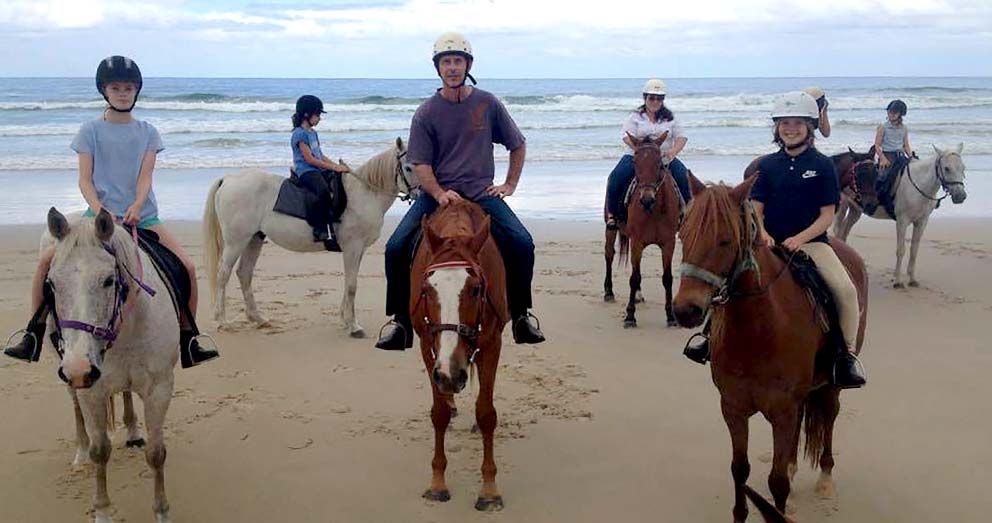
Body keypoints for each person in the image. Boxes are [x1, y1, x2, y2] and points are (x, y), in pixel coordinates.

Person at [2, 56, 218, 369]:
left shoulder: (148, 132)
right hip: (97, 219)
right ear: (104, 91)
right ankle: (33, 332)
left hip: (143, 217)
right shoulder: (90, 131)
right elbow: (85, 179)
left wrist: (135, 206)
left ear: (137, 91)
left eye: (128, 88)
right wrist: (99, 209)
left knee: (186, 267)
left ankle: (188, 338)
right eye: (116, 88)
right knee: (46, 264)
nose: (123, 93)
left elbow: (145, 178)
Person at [374, 31, 545, 351]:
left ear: (468, 65)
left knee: (522, 242)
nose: (452, 67)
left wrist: (509, 185)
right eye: (446, 62)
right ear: (437, 68)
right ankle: (400, 322)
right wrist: (438, 193)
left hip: (481, 193)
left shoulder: (487, 103)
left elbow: (517, 144)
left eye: (458, 61)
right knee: (396, 248)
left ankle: (522, 315)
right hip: (436, 195)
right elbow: (421, 164)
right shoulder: (426, 112)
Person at [684, 91, 866, 389]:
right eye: (784, 123)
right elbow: (755, 208)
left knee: (845, 290)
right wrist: (764, 233)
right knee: (728, 280)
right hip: (767, 243)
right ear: (776, 128)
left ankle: (846, 357)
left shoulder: (821, 165)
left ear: (810, 127)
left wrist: (800, 238)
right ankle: (707, 337)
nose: (790, 128)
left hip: (812, 243)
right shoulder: (766, 166)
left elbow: (827, 215)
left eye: (797, 123)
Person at [604, 79, 691, 229]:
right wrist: (641, 150)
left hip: (664, 158)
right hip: (636, 156)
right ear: (645, 98)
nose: (655, 101)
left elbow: (681, 137)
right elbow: (626, 135)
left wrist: (673, 152)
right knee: (615, 177)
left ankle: (690, 214)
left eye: (659, 98)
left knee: (685, 178)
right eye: (652, 97)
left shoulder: (671, 118)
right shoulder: (635, 117)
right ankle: (612, 214)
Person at [291, 94, 350, 248]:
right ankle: (320, 229)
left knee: (338, 182)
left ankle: (336, 217)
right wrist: (334, 167)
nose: (319, 118)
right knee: (323, 190)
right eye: (317, 114)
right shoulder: (299, 134)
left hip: (317, 168)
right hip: (306, 170)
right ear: (306, 114)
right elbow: (310, 159)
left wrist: (338, 167)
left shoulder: (312, 132)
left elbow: (320, 155)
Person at [872, 99, 912, 214]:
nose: (891, 114)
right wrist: (883, 158)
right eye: (890, 112)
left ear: (900, 114)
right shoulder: (883, 127)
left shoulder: (904, 128)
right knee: (884, 178)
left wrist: (911, 156)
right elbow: (877, 145)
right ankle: (881, 202)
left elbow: (906, 145)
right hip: (887, 156)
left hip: (900, 156)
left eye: (894, 112)